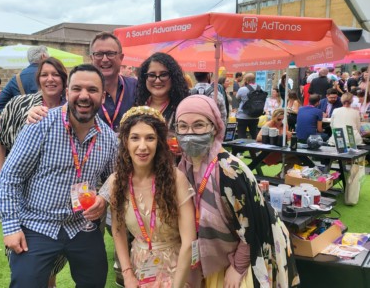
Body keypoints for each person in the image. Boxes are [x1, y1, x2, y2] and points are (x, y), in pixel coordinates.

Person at [0, 64, 117, 288]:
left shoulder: (108, 137)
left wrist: (104, 197)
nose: (83, 96)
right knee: (25, 283)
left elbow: (116, 176)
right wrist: (11, 227)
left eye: (92, 90)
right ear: (67, 92)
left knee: (95, 280)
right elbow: (10, 177)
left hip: (81, 224)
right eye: (77, 89)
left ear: (102, 95)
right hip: (37, 224)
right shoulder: (40, 125)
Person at [175, 95, 299, 287]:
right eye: (182, 126)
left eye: (199, 125)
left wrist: (238, 267)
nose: (189, 133)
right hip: (216, 254)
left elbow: (250, 226)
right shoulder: (183, 167)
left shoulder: (230, 171)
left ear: (214, 127)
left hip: (250, 249)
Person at [0, 57, 68, 288]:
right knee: (21, 253)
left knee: (52, 260)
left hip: (54, 200)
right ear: (38, 79)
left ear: (64, 81)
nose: (50, 79)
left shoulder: (72, 109)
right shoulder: (18, 105)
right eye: (45, 74)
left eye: (56, 74)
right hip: (18, 194)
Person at [99, 106, 197, 287]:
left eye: (150, 138)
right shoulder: (117, 182)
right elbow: (118, 230)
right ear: (125, 142)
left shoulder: (176, 180)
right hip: (139, 267)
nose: (142, 146)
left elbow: (189, 240)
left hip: (178, 268)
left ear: (159, 142)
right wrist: (127, 273)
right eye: (135, 138)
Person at [135, 52, 189, 131]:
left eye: (163, 75)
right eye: (152, 75)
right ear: (144, 78)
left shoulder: (183, 109)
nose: (157, 80)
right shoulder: (137, 107)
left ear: (173, 77)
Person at [0, 45, 49, 114]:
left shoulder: (16, 79)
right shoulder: (53, 76)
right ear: (43, 56)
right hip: (51, 121)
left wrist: (19, 115)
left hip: (25, 123)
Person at [235, 73, 260, 140]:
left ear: (246, 80)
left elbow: (237, 98)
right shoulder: (260, 88)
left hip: (242, 115)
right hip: (255, 115)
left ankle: (241, 149)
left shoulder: (242, 89)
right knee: (254, 134)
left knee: (241, 134)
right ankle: (254, 150)